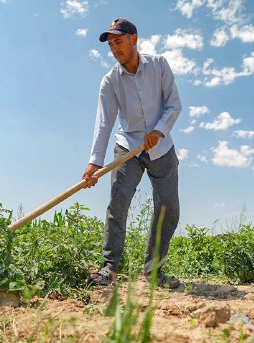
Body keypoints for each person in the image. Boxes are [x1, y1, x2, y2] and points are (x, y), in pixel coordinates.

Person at [82, 18, 182, 288]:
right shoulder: (110, 81)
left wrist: (158, 131)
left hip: (162, 146)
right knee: (118, 203)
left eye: (119, 41)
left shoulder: (159, 64)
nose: (115, 49)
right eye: (111, 44)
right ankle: (109, 268)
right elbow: (104, 122)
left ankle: (153, 272)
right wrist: (94, 163)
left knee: (168, 207)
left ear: (134, 39)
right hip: (128, 146)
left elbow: (174, 105)